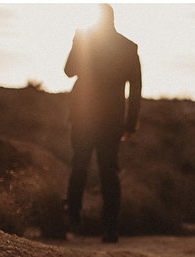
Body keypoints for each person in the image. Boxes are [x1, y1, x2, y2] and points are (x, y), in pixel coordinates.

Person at [64, 4, 142, 243]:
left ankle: (71, 222)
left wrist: (78, 43)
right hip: (111, 119)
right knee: (109, 172)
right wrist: (130, 124)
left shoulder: (85, 39)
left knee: (79, 166)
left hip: (84, 115)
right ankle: (110, 229)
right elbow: (136, 90)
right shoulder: (128, 47)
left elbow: (69, 71)